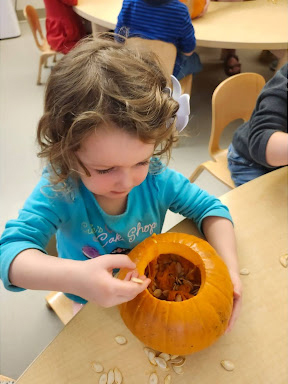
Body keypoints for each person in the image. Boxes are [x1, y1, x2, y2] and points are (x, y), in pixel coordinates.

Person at [0, 36, 241, 330]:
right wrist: (77, 278)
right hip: (87, 298)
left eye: (140, 161)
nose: (127, 181)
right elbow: (11, 255)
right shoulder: (60, 189)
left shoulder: (155, 177)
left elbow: (212, 210)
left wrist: (229, 270)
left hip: (146, 290)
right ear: (67, 153)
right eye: (104, 170)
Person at [227, 63, 288, 186]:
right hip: (249, 161)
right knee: (263, 204)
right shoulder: (283, 82)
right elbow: (262, 141)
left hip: (281, 161)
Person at [115, 0, 202, 81]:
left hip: (131, 69)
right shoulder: (180, 11)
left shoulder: (129, 3)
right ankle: (176, 90)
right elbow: (188, 50)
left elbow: (118, 39)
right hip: (165, 74)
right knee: (194, 59)